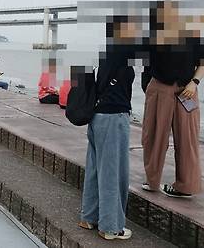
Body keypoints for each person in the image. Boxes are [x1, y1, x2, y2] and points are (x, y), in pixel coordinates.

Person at [140, 0, 204, 198]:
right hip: (159, 87)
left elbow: (203, 63)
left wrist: (194, 82)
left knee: (187, 138)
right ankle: (152, 180)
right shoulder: (152, 36)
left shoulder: (194, 32)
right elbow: (146, 65)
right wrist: (148, 88)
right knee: (153, 135)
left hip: (187, 90)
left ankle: (186, 185)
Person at [79, 15, 138, 240]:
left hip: (98, 117)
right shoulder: (124, 52)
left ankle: (89, 217)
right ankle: (111, 226)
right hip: (114, 118)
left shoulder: (109, 51)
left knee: (95, 169)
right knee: (113, 173)